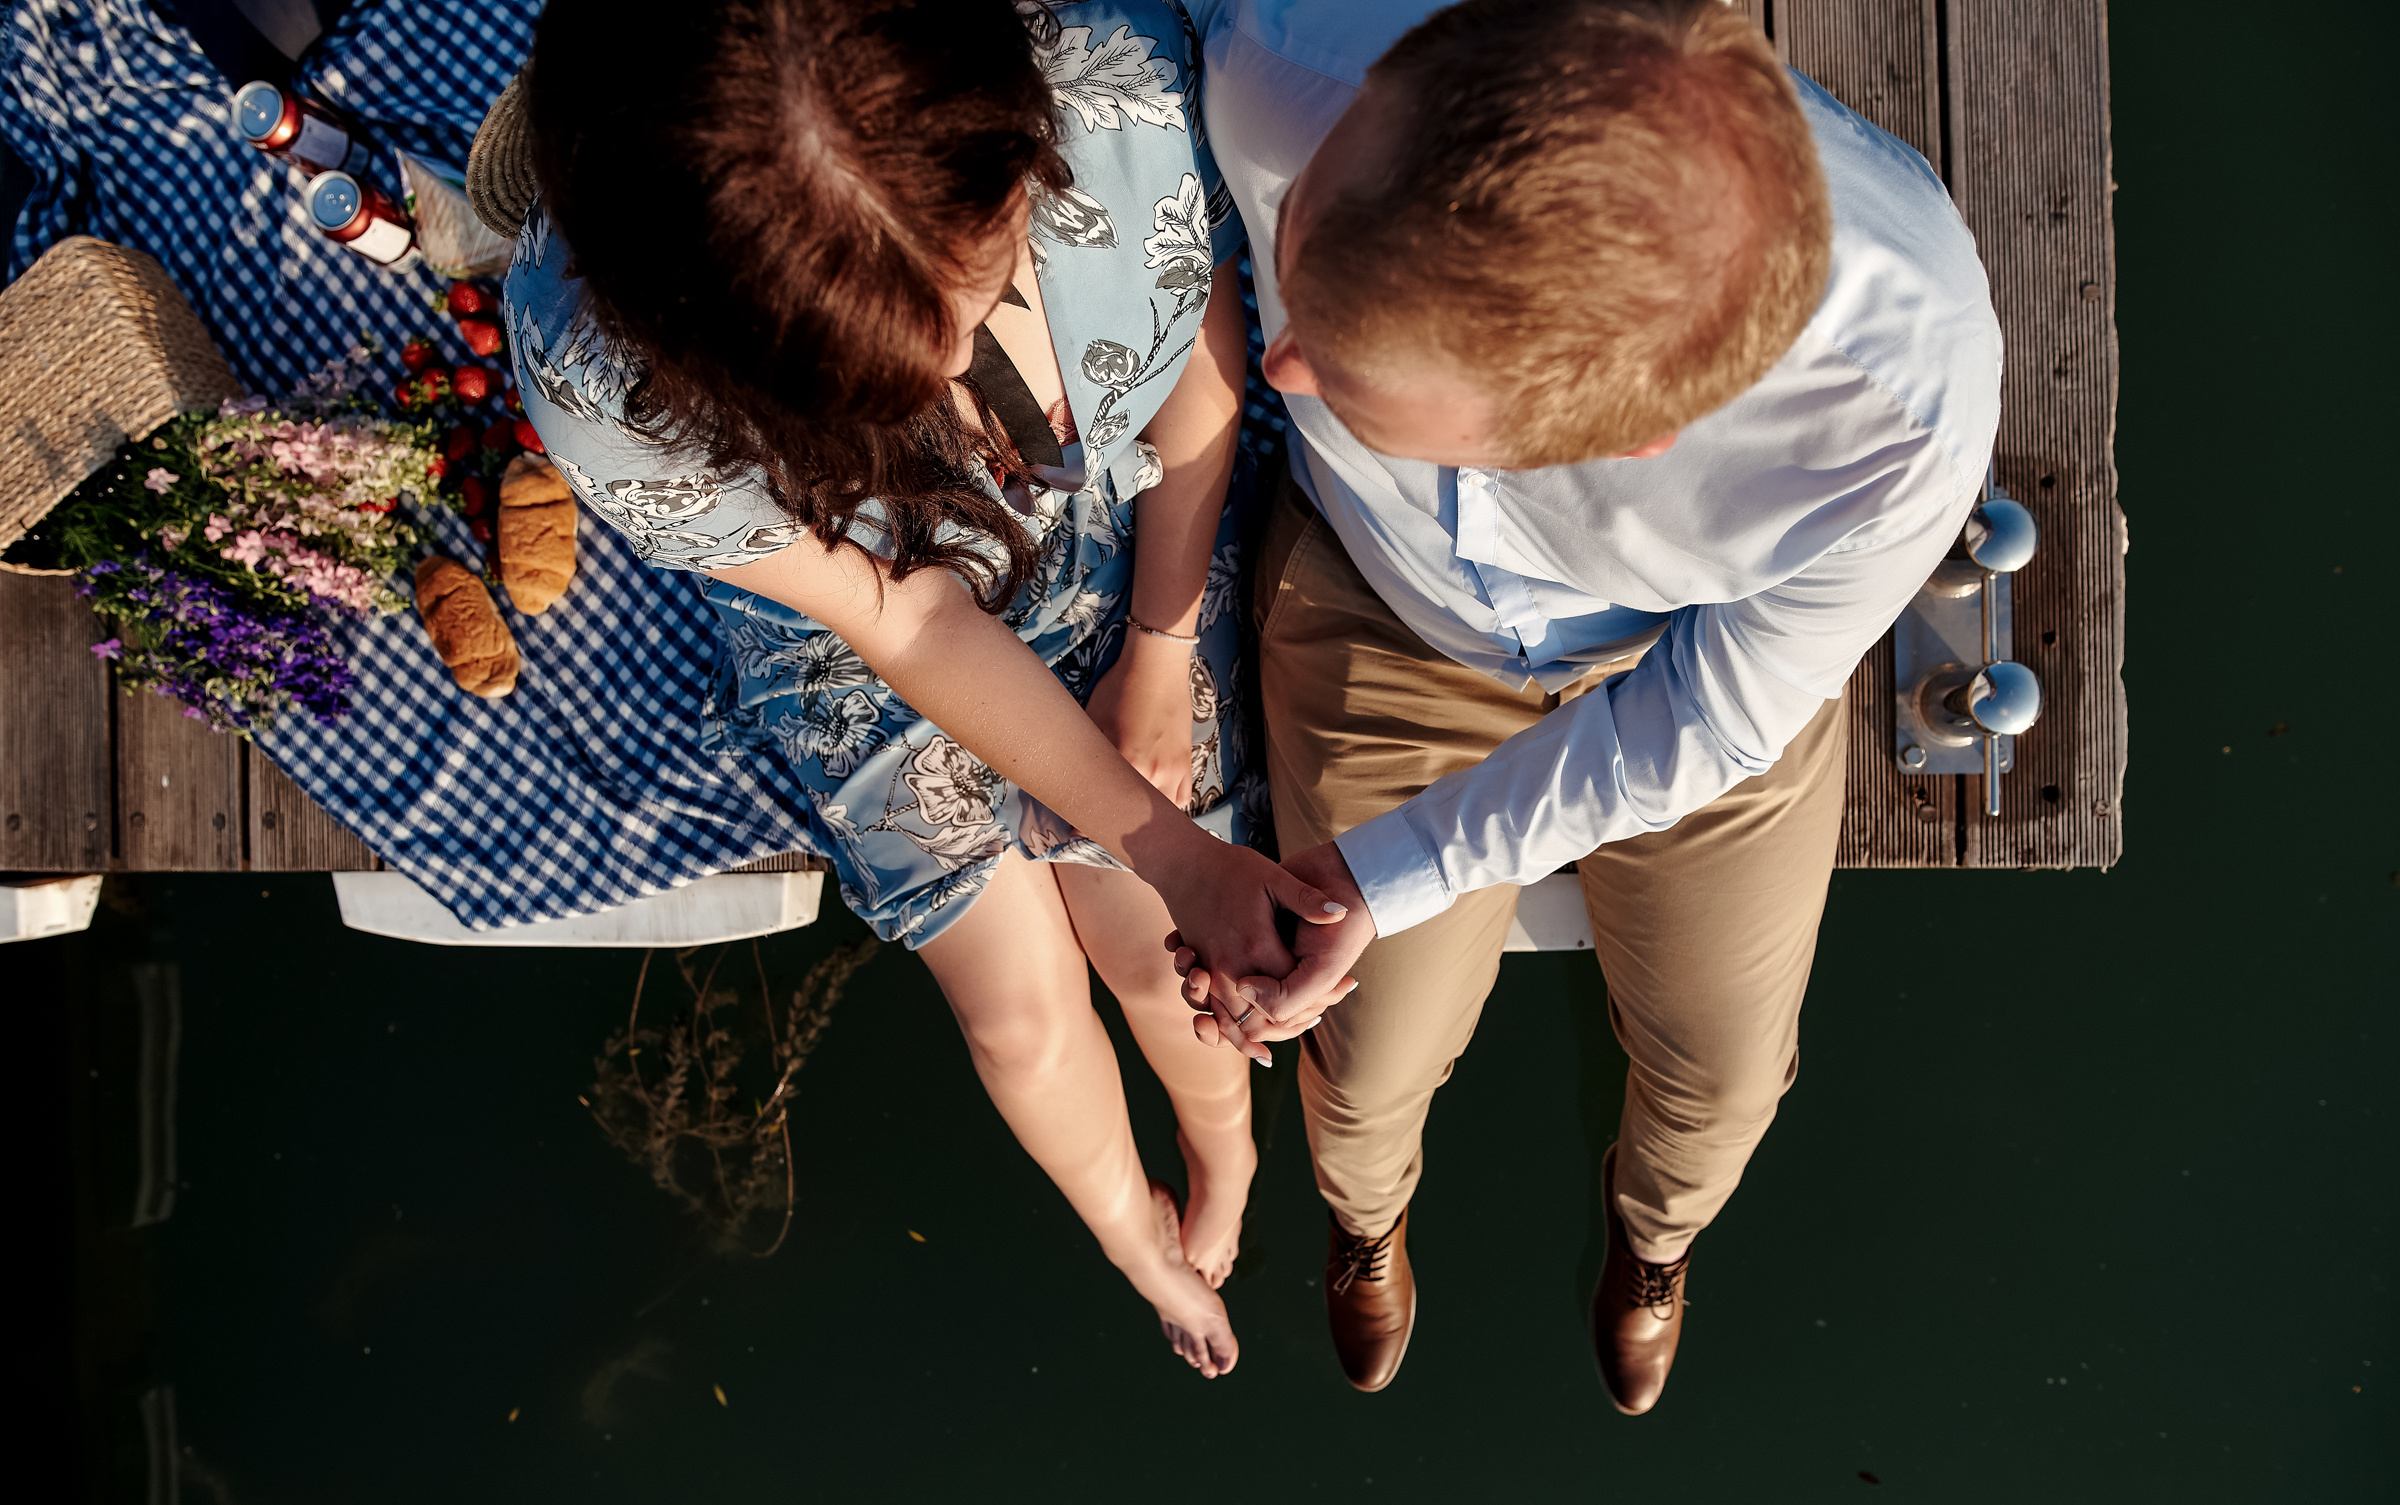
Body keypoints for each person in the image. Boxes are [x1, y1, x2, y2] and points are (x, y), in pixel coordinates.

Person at [494, 0, 1356, 1379]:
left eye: (975, 277)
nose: (957, 369)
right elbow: (897, 619)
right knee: (1015, 1008)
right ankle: (1134, 1237)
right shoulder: (608, 376)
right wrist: (1149, 827)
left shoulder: (1117, 75)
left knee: (1153, 948)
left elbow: (1193, 385)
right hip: (869, 625)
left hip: (1124, 546)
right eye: (879, 359)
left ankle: (1226, 1151)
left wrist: (1156, 656)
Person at [1169, 0, 2003, 1407]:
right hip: (1388, 605)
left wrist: (1402, 870)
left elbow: (1702, 725)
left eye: (1348, 368)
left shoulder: (1898, 425)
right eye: (1299, 257)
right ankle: (1366, 1216)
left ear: (1614, 441)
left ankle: (1655, 1236)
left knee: (1727, 1073)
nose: (1288, 368)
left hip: (1692, 660)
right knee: (1364, 1061)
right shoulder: (1281, 62)